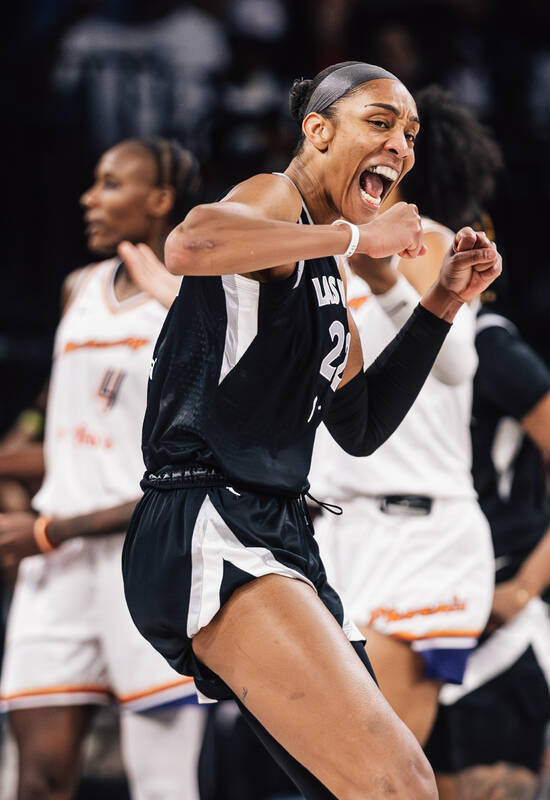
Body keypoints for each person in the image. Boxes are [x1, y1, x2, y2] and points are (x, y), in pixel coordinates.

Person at [119, 61, 501, 798]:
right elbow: (189, 245)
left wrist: (443, 303)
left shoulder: (329, 274)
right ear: (318, 131)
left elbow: (358, 427)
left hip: (275, 530)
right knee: (401, 784)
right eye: (381, 123)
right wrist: (354, 241)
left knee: (350, 788)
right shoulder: (278, 199)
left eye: (412, 135)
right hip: (210, 516)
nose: (400, 146)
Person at [0, 138, 205, 800]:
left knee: (162, 784)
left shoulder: (197, 302)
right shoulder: (77, 288)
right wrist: (17, 451)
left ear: (160, 201)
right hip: (55, 564)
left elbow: (200, 466)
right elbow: (52, 398)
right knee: (37, 779)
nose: (90, 198)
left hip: (146, 559)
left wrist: (50, 528)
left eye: (110, 184)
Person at [308, 84, 500, 746]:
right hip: (333, 530)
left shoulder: (429, 240)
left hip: (423, 532)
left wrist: (387, 283)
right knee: (331, 766)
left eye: (407, 136)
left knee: (376, 766)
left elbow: (458, 367)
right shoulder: (311, 247)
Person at [425, 294, 550, 793]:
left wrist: (524, 587)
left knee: (483, 784)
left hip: (504, 593)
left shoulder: (485, 340)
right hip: (420, 590)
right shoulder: (368, 328)